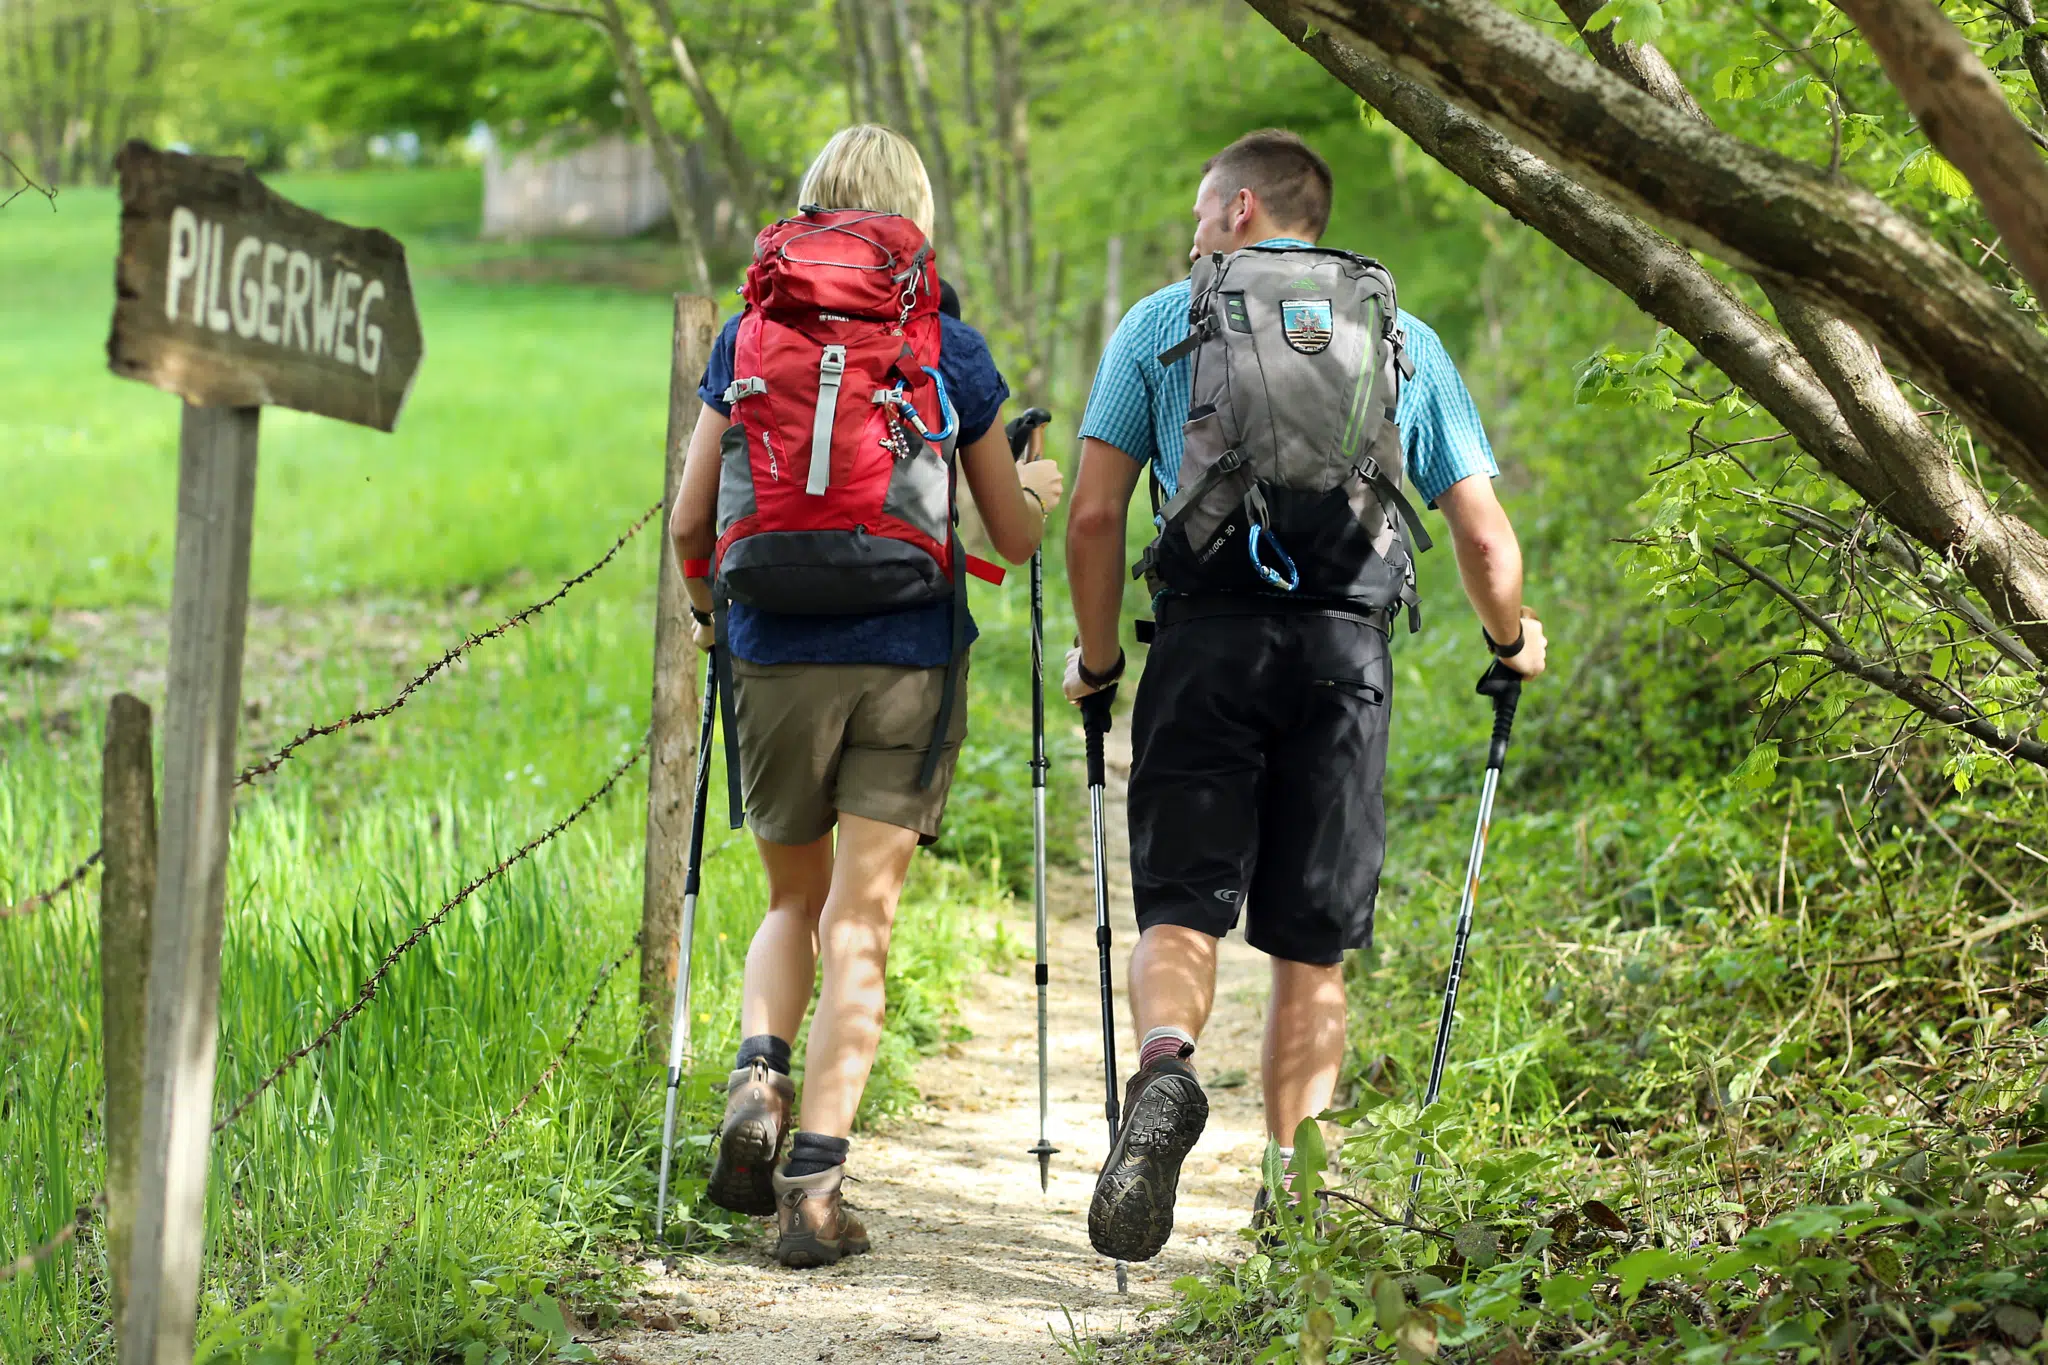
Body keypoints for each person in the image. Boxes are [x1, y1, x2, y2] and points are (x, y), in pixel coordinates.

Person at [1062, 129, 1548, 1262]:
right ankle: (1294, 1199)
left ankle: (1166, 1075)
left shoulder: (1158, 323)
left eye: (1198, 214)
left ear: (1237, 208)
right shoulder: (1401, 337)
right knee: (1309, 946)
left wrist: (1098, 659)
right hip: (1343, 659)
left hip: (1202, 646)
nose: (1192, 236)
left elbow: (1091, 516)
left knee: (1181, 905)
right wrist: (1511, 638)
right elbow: (1480, 535)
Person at [668, 124, 1065, 1269]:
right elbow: (1009, 532)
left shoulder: (748, 334)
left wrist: (710, 618)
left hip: (770, 646)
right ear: (913, 218)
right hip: (906, 656)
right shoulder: (945, 345)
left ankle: (755, 1076)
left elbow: (694, 521)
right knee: (863, 922)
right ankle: (816, 1193)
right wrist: (1033, 479)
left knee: (789, 901)